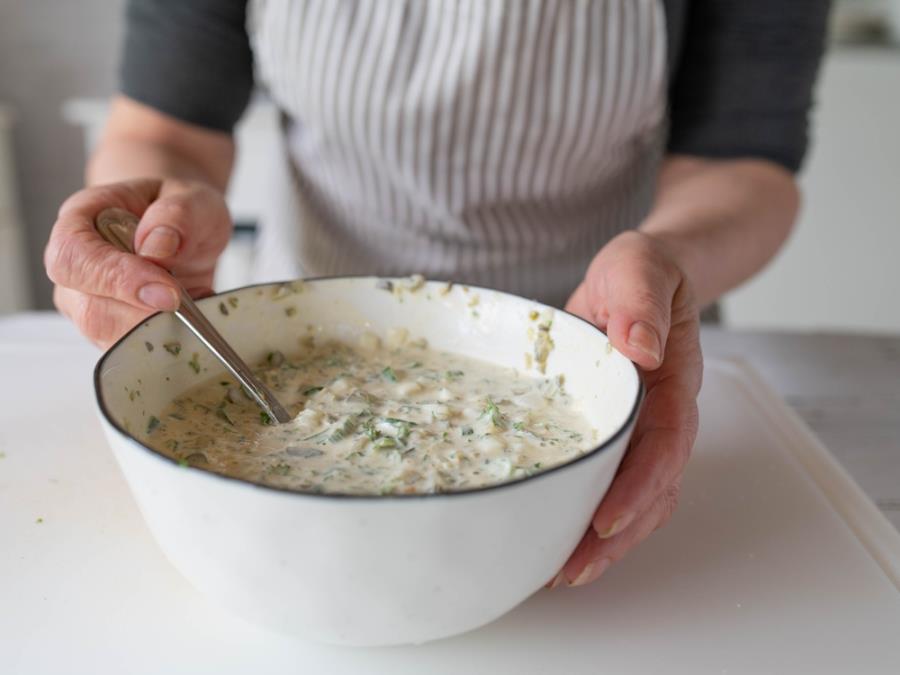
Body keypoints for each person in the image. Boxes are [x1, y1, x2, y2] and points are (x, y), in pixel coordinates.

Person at [44, 0, 829, 588]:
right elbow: (169, 126)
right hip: (299, 313)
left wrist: (668, 256)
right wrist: (157, 215)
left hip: (613, 335)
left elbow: (744, 161)